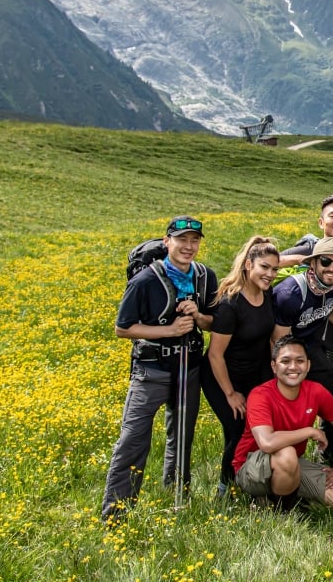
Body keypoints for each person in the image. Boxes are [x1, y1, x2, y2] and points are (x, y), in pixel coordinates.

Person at [102, 216, 217, 522]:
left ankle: (177, 499)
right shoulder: (145, 281)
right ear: (167, 242)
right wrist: (169, 331)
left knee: (181, 437)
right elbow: (122, 328)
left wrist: (199, 317)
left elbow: (215, 321)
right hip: (150, 370)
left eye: (194, 241)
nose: (188, 247)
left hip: (188, 368)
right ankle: (116, 514)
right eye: (182, 240)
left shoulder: (205, 277)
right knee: (133, 439)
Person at [232, 336, 333, 509]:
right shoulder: (260, 395)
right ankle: (283, 512)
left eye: (300, 361)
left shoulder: (315, 391)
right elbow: (267, 443)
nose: (293, 367)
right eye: (285, 361)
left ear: (308, 365)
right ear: (274, 366)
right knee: (287, 454)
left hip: (291, 464)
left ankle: (276, 498)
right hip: (251, 468)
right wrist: (310, 432)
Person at [200, 235, 278, 497]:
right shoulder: (230, 304)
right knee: (237, 430)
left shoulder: (268, 297)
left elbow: (267, 339)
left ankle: (249, 480)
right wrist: (231, 394)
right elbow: (215, 355)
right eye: (264, 267)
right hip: (222, 377)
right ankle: (225, 489)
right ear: (248, 265)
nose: (270, 274)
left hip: (254, 374)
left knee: (257, 429)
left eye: (274, 269)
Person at [272, 236, 333, 461]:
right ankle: (283, 464)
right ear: (313, 263)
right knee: (289, 409)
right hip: (287, 354)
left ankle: (331, 460)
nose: (332, 268)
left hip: (311, 351)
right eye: (325, 262)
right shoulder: (290, 294)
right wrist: (294, 371)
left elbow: (331, 312)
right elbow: (279, 341)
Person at [279, 194, 333, 268]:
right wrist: (297, 259)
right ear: (321, 223)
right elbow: (270, 261)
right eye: (332, 216)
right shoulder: (310, 249)